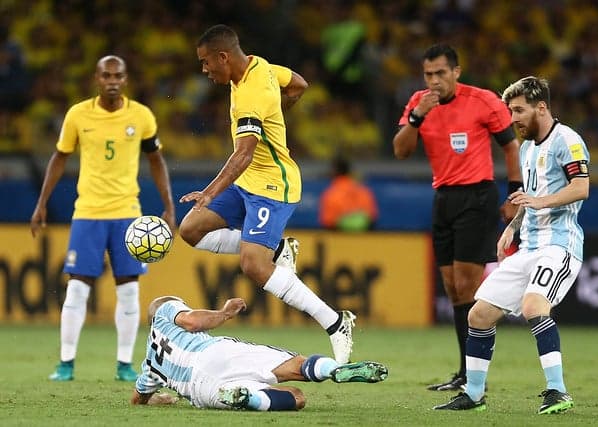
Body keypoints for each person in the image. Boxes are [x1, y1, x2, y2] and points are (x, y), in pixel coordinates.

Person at [178, 24, 355, 364]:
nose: (204, 70)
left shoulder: (251, 93)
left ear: (223, 57)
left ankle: (334, 323)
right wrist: (275, 118)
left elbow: (243, 154)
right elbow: (299, 84)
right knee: (190, 230)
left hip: (273, 185)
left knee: (253, 265)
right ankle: (276, 247)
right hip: (248, 182)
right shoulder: (260, 66)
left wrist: (210, 193)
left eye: (205, 62)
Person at [434, 76, 589, 414]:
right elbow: (528, 198)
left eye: (519, 110)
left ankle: (557, 390)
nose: (513, 119)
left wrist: (540, 202)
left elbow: (581, 188)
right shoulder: (529, 148)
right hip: (529, 247)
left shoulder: (568, 140)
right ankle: (474, 395)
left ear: (542, 107)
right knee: (479, 314)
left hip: (559, 245)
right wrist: (513, 227)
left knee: (535, 306)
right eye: (510, 111)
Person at [30, 55, 176, 382]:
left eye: (118, 75)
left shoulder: (141, 116)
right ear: (97, 78)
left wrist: (169, 206)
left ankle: (125, 364)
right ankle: (66, 363)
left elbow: (156, 160)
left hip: (128, 215)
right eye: (106, 75)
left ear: (125, 79)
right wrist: (42, 203)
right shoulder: (78, 115)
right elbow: (59, 157)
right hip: (89, 213)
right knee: (78, 288)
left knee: (127, 289)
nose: (112, 80)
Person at [392, 44, 523, 391]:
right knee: (452, 289)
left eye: (440, 73)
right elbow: (401, 151)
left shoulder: (482, 101)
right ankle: (466, 371)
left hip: (477, 197)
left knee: (466, 284)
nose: (434, 81)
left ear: (456, 72)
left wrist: (514, 193)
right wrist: (417, 116)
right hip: (444, 198)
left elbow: (511, 145)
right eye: (428, 74)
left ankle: (473, 374)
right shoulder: (419, 103)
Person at [130, 295, 388, 411]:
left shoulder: (150, 365)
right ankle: (333, 370)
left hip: (203, 391)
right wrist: (224, 313)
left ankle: (249, 400)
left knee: (296, 399)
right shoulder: (164, 311)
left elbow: (138, 399)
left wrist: (157, 399)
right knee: (296, 366)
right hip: (213, 353)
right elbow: (192, 322)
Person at [318, 156, 378, 231]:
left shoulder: (330, 194)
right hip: (365, 238)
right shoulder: (364, 191)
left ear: (334, 171)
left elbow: (327, 222)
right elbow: (372, 218)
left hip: (339, 238)